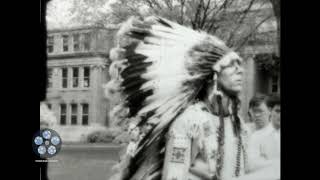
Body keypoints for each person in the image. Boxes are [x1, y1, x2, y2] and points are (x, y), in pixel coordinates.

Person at [109, 16, 252, 180]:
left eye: (240, 65)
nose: (240, 70)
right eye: (231, 65)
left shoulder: (239, 124)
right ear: (214, 75)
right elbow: (174, 176)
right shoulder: (189, 121)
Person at [246, 95, 280, 179]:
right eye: (254, 111)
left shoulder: (275, 135)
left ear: (270, 111)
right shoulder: (245, 130)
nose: (257, 115)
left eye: (260, 111)